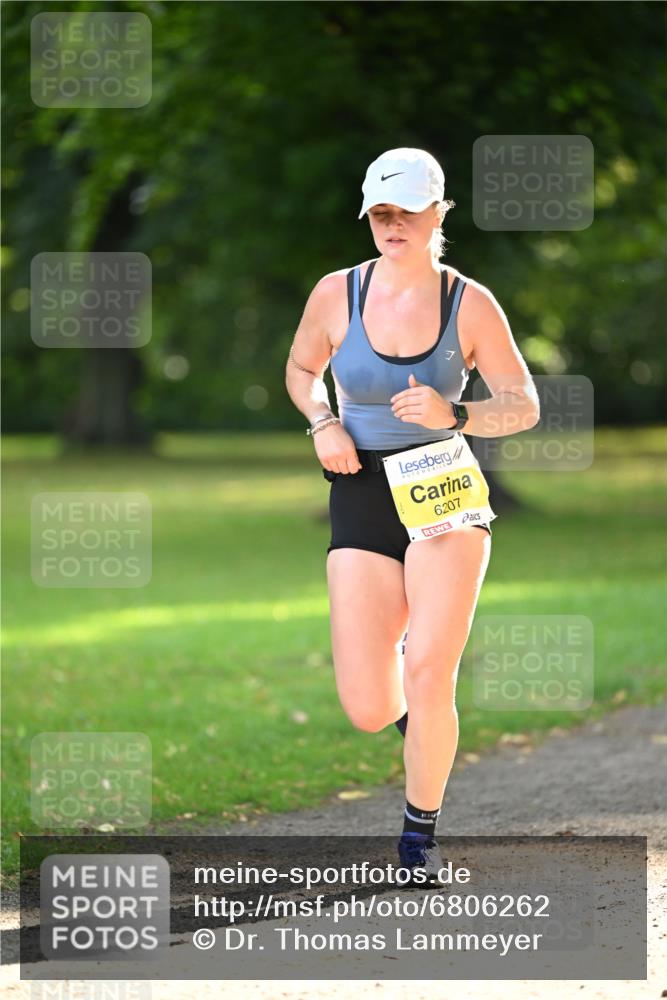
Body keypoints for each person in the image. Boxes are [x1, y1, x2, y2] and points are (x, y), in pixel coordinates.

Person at [285, 147, 540, 885]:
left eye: (406, 212)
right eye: (380, 214)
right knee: (369, 706)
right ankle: (417, 721)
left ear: (438, 213)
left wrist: (453, 410)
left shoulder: (470, 302)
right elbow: (301, 370)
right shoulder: (337, 293)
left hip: (443, 491)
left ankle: (417, 838)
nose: (392, 226)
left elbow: (521, 406)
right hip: (359, 487)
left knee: (430, 672)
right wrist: (322, 422)